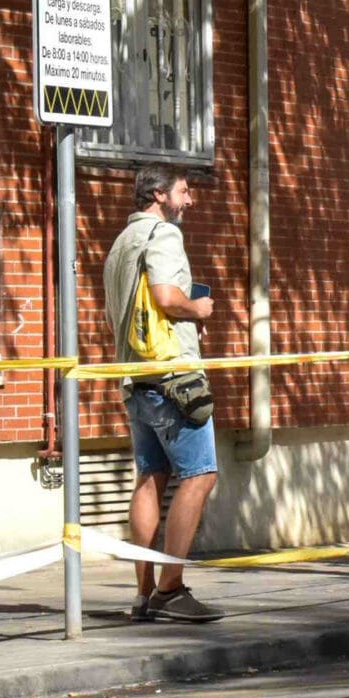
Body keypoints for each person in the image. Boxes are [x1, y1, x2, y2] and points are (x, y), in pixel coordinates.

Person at [105, 164, 222, 624]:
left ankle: (143, 593)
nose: (190, 200)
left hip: (134, 379)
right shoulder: (165, 234)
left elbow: (116, 316)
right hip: (174, 378)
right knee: (200, 475)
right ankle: (170, 589)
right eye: (184, 191)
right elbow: (167, 297)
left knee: (150, 477)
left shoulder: (120, 243)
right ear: (159, 194)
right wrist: (198, 308)